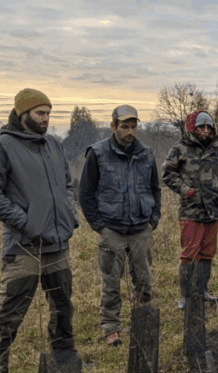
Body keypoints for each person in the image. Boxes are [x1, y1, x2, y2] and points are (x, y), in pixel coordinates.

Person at [0, 88, 78, 373]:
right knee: (11, 310)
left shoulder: (55, 146)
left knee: (63, 306)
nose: (46, 119)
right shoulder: (2, 147)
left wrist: (69, 211)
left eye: (48, 113)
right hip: (24, 246)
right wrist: (25, 222)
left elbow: (67, 184)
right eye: (40, 113)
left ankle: (65, 361)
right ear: (23, 114)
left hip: (57, 243)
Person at [78, 105, 161, 346]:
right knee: (111, 282)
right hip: (111, 229)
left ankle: (142, 317)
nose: (129, 131)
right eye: (124, 126)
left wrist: (153, 220)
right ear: (113, 126)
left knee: (144, 280)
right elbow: (85, 193)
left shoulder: (146, 154)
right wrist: (99, 226)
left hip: (140, 228)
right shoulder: (98, 153)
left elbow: (155, 188)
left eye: (134, 126)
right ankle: (111, 327)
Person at [162, 110, 218, 309]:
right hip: (190, 211)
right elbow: (167, 174)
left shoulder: (217, 149)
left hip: (213, 209)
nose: (205, 131)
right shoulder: (180, 148)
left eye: (208, 127)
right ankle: (184, 296)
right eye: (201, 127)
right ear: (193, 128)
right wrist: (186, 190)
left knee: (207, 253)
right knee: (189, 254)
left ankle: (202, 292)